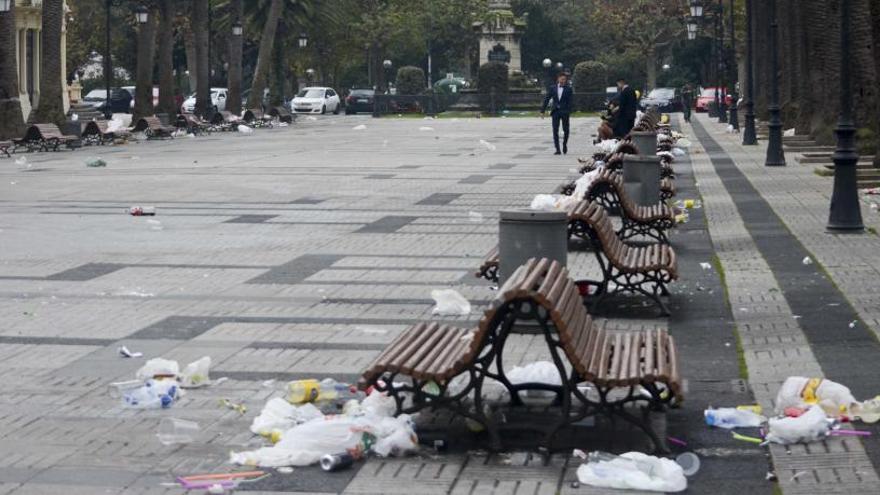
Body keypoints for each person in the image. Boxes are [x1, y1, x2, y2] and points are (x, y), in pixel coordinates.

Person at [540, 72, 573, 155]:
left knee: (566, 130)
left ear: (566, 80)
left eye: (564, 79)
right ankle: (557, 149)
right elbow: (547, 99)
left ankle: (564, 144)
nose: (563, 81)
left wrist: (569, 110)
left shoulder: (569, 89)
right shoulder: (552, 88)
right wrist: (542, 111)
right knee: (555, 130)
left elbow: (571, 101)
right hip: (555, 112)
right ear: (558, 79)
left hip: (565, 112)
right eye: (561, 79)